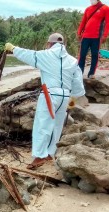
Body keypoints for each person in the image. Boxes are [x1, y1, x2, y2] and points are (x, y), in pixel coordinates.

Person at [5, 33, 85, 169]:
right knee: (56, 126)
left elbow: (29, 55)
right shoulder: (72, 60)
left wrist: (13, 49)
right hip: (64, 96)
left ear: (50, 44)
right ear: (63, 44)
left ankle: (39, 156)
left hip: (50, 94)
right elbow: (77, 79)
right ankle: (49, 153)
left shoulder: (45, 55)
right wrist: (74, 96)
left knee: (42, 125)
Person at [77, 0, 109, 79]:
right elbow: (83, 22)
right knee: (82, 55)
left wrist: (105, 35)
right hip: (85, 36)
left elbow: (108, 23)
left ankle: (91, 73)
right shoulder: (88, 9)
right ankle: (79, 72)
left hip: (96, 37)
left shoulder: (105, 8)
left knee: (95, 55)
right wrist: (79, 32)